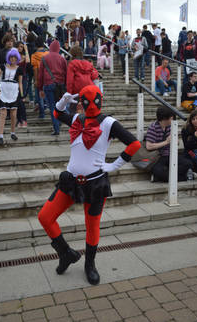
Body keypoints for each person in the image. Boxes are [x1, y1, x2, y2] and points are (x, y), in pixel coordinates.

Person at [38, 85, 141, 285]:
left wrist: (114, 165)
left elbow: (134, 143)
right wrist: (64, 100)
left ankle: (89, 265)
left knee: (92, 226)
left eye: (95, 100)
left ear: (101, 99)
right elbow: (57, 113)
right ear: (81, 102)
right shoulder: (77, 119)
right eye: (86, 101)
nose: (91, 105)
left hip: (95, 184)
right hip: (70, 181)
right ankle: (66, 253)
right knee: (45, 217)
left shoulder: (109, 123)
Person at [146, 106, 194, 182]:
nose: (172, 119)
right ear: (164, 118)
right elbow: (149, 146)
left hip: (170, 154)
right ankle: (184, 177)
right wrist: (166, 142)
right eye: (171, 117)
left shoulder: (171, 126)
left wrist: (175, 140)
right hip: (158, 157)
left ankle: (162, 177)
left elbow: (177, 143)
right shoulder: (153, 127)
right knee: (158, 171)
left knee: (189, 163)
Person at [0, 48, 23, 145]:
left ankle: (12, 132)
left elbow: (20, 83)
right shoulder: (2, 66)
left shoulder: (19, 69)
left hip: (14, 91)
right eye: (11, 57)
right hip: (4, 90)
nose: (13, 59)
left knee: (14, 114)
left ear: (17, 58)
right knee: (3, 113)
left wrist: (21, 95)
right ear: (8, 57)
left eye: (14, 57)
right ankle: (0, 135)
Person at [38, 40, 67, 135]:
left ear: (50, 47)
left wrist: (40, 88)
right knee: (60, 106)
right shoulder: (62, 59)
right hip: (60, 86)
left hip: (48, 85)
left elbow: (40, 75)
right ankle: (59, 122)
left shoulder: (44, 58)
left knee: (52, 107)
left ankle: (56, 129)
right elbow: (66, 73)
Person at [67, 45, 99, 114]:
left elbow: (69, 80)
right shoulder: (88, 63)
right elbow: (94, 76)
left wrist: (69, 93)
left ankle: (77, 124)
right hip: (89, 89)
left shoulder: (72, 64)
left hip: (77, 91)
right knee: (87, 110)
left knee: (73, 112)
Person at [31, 36, 49, 119]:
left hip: (40, 78)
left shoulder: (34, 56)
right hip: (48, 78)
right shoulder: (48, 54)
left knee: (40, 95)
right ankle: (46, 106)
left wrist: (36, 80)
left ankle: (42, 114)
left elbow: (35, 69)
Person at [182, 110, 197, 175]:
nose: (195, 121)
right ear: (190, 120)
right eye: (193, 119)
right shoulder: (186, 129)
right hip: (190, 151)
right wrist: (194, 136)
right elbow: (187, 146)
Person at [15, 41, 30, 128]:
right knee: (17, 102)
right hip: (15, 80)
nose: (20, 48)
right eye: (19, 47)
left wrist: (26, 49)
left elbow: (28, 61)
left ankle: (23, 120)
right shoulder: (13, 57)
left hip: (23, 80)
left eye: (21, 47)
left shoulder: (24, 57)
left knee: (21, 101)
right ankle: (19, 120)